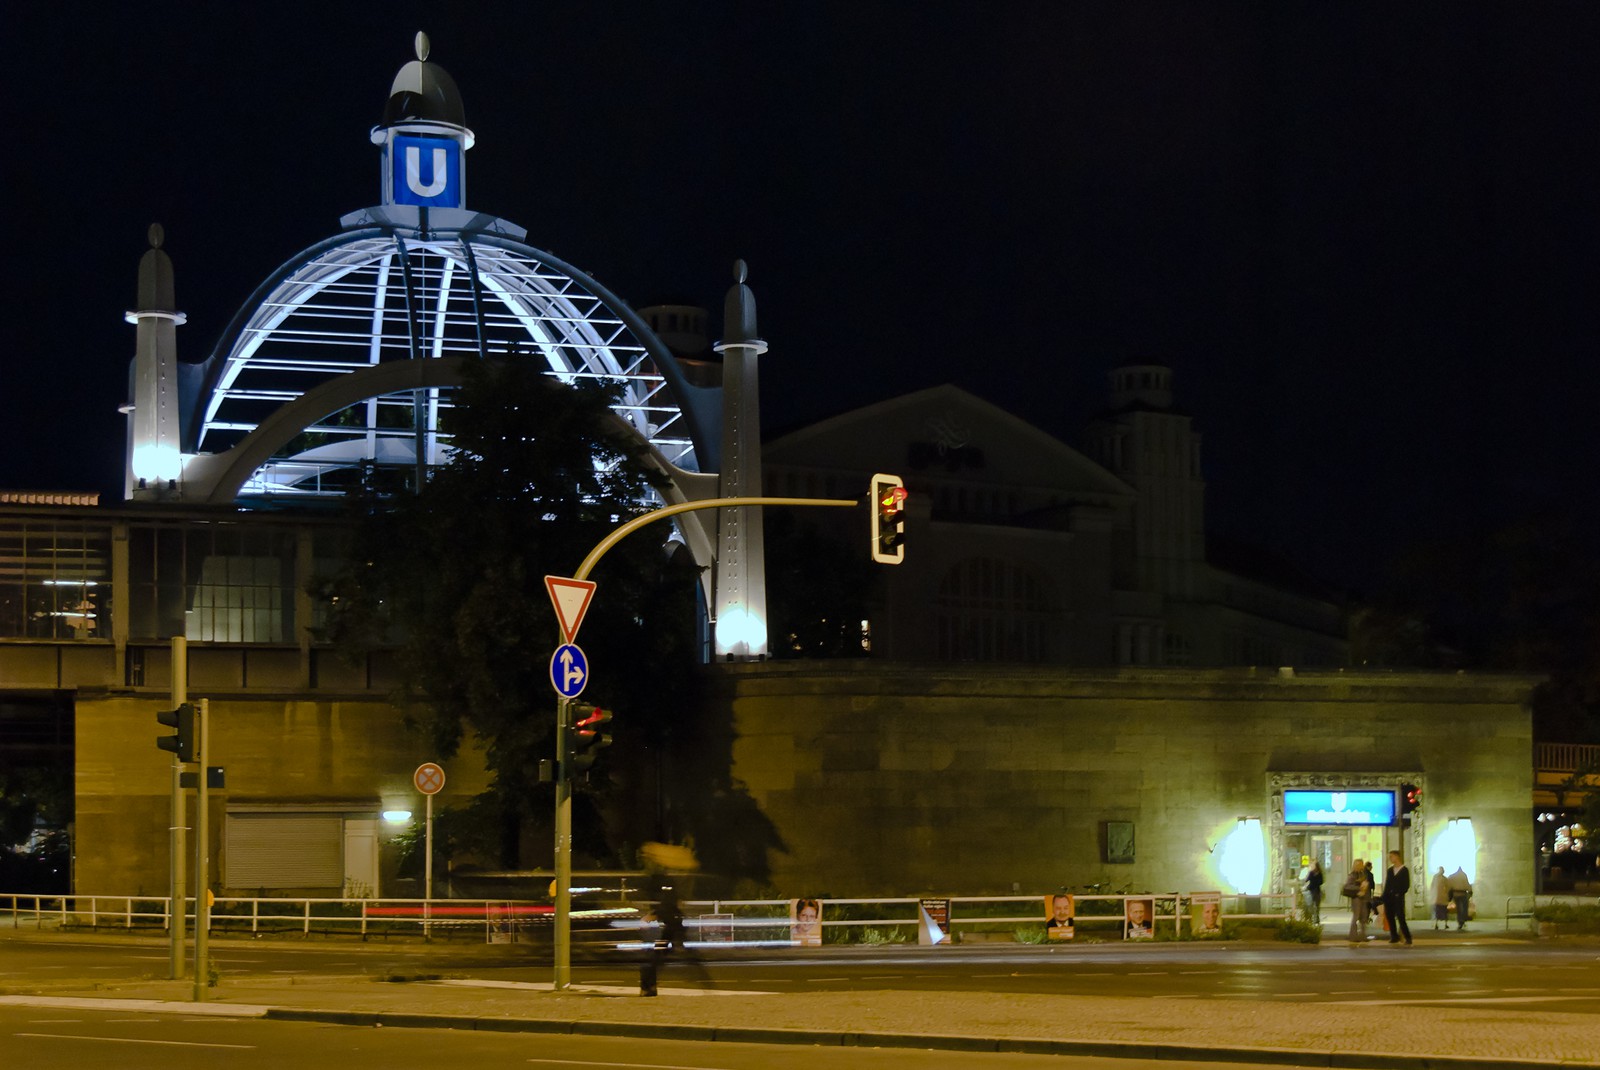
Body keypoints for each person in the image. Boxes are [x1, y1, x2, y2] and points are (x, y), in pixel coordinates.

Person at [1381, 850, 1412, 946]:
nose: (1390, 859)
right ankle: (1394, 936)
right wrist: (1384, 897)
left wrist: (1399, 893)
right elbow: (1387, 884)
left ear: (1397, 857)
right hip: (1389, 897)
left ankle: (1408, 937)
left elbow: (1406, 885)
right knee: (1390, 917)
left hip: (1398, 897)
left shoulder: (1404, 870)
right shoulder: (1390, 870)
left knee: (1400, 917)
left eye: (1391, 856)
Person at [1345, 859, 1371, 942]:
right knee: (1356, 917)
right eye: (1359, 864)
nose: (1361, 866)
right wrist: (1359, 888)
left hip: (1364, 898)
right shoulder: (1352, 875)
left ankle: (1362, 935)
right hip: (1356, 898)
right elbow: (1347, 886)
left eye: (1361, 864)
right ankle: (1353, 936)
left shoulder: (1363, 874)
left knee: (1364, 918)